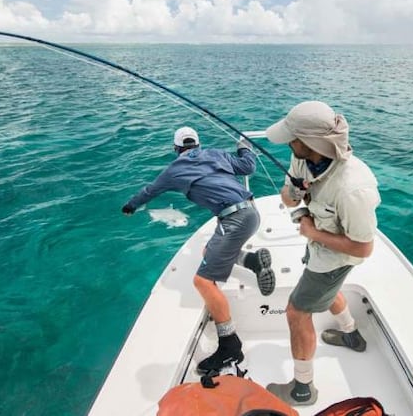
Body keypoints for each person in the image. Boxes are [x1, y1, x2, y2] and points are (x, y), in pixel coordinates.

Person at [121, 126, 276, 373]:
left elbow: (149, 191)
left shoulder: (174, 170)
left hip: (234, 219)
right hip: (250, 211)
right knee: (207, 252)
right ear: (198, 145)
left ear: (176, 149)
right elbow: (248, 167)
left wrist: (130, 206)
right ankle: (253, 261)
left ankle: (230, 346)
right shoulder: (216, 154)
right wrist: (244, 147)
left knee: (202, 282)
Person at [263, 101, 380, 406]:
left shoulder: (353, 188)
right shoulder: (301, 156)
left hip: (335, 258)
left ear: (311, 142)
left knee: (296, 311)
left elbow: (364, 248)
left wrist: (314, 233)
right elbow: (288, 200)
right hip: (318, 247)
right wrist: (295, 193)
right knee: (327, 292)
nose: (288, 142)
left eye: (292, 137)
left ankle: (303, 388)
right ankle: (351, 334)